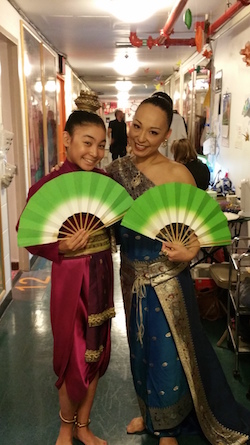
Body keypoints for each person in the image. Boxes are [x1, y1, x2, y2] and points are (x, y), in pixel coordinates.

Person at [106, 92, 250, 445]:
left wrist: (190, 251)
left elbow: (204, 229)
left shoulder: (178, 174)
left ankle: (169, 426)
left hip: (168, 278)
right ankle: (150, 414)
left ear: (166, 136)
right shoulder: (114, 172)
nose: (141, 137)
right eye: (137, 127)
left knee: (168, 354)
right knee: (140, 352)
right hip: (130, 276)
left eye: (153, 133)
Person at [17, 110, 115, 445]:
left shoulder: (105, 183)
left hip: (103, 272)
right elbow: (27, 234)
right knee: (70, 352)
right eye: (88, 142)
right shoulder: (47, 185)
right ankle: (65, 426)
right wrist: (59, 245)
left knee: (99, 350)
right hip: (71, 279)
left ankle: (84, 426)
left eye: (101, 145)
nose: (95, 152)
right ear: (67, 140)